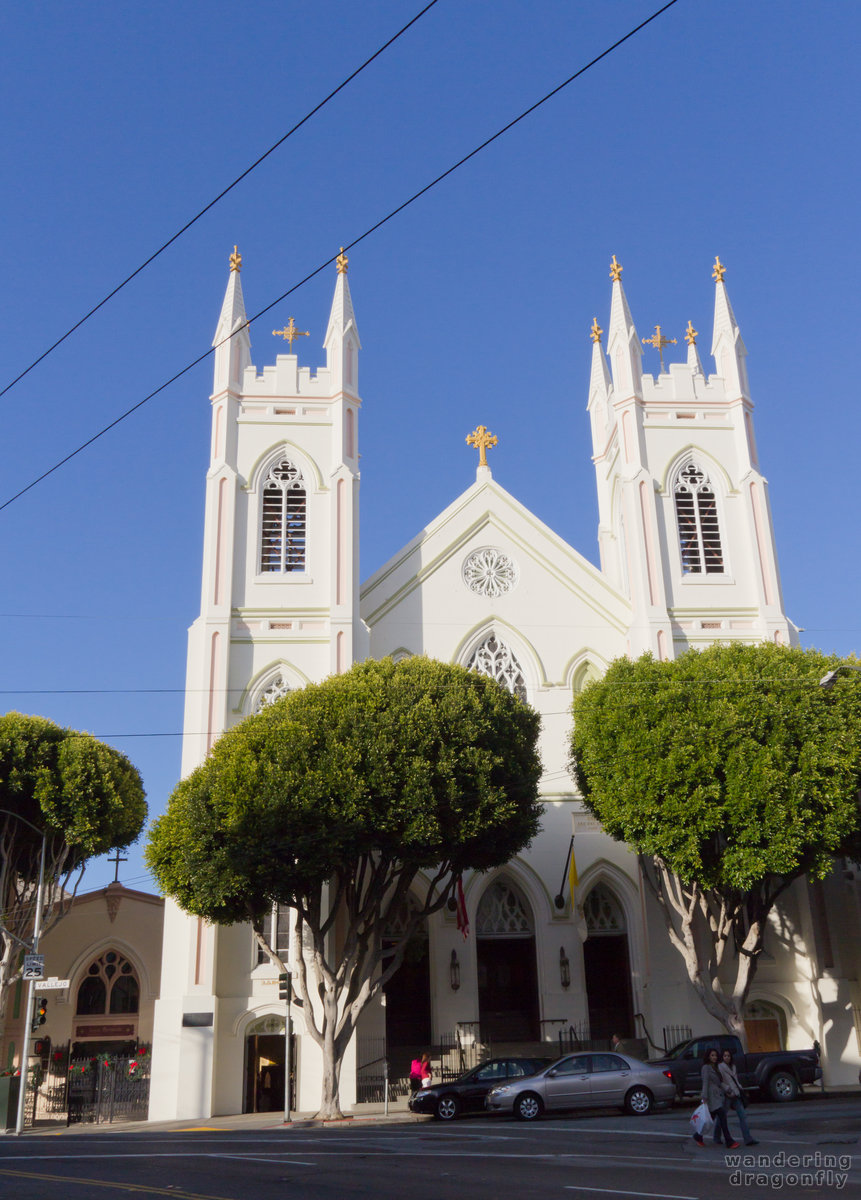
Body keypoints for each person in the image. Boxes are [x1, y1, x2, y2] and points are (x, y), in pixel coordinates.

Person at [692, 1047, 739, 1149]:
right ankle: (729, 1140)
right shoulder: (706, 1067)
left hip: (717, 1096)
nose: (714, 1057)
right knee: (722, 1117)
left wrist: (727, 1089)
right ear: (708, 1056)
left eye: (716, 1055)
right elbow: (705, 1082)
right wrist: (704, 1097)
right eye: (712, 1055)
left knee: (711, 1118)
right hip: (711, 1097)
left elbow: (719, 1082)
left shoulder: (716, 1067)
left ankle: (698, 1136)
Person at [719, 1048, 758, 1146]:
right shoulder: (720, 1067)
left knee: (742, 1116)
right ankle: (716, 1136)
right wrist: (727, 1089)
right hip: (728, 1094)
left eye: (728, 1056)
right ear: (722, 1057)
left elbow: (735, 1079)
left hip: (736, 1094)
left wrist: (739, 1088)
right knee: (722, 1117)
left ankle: (748, 1139)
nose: (727, 1057)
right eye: (725, 1056)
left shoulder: (733, 1066)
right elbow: (720, 1081)